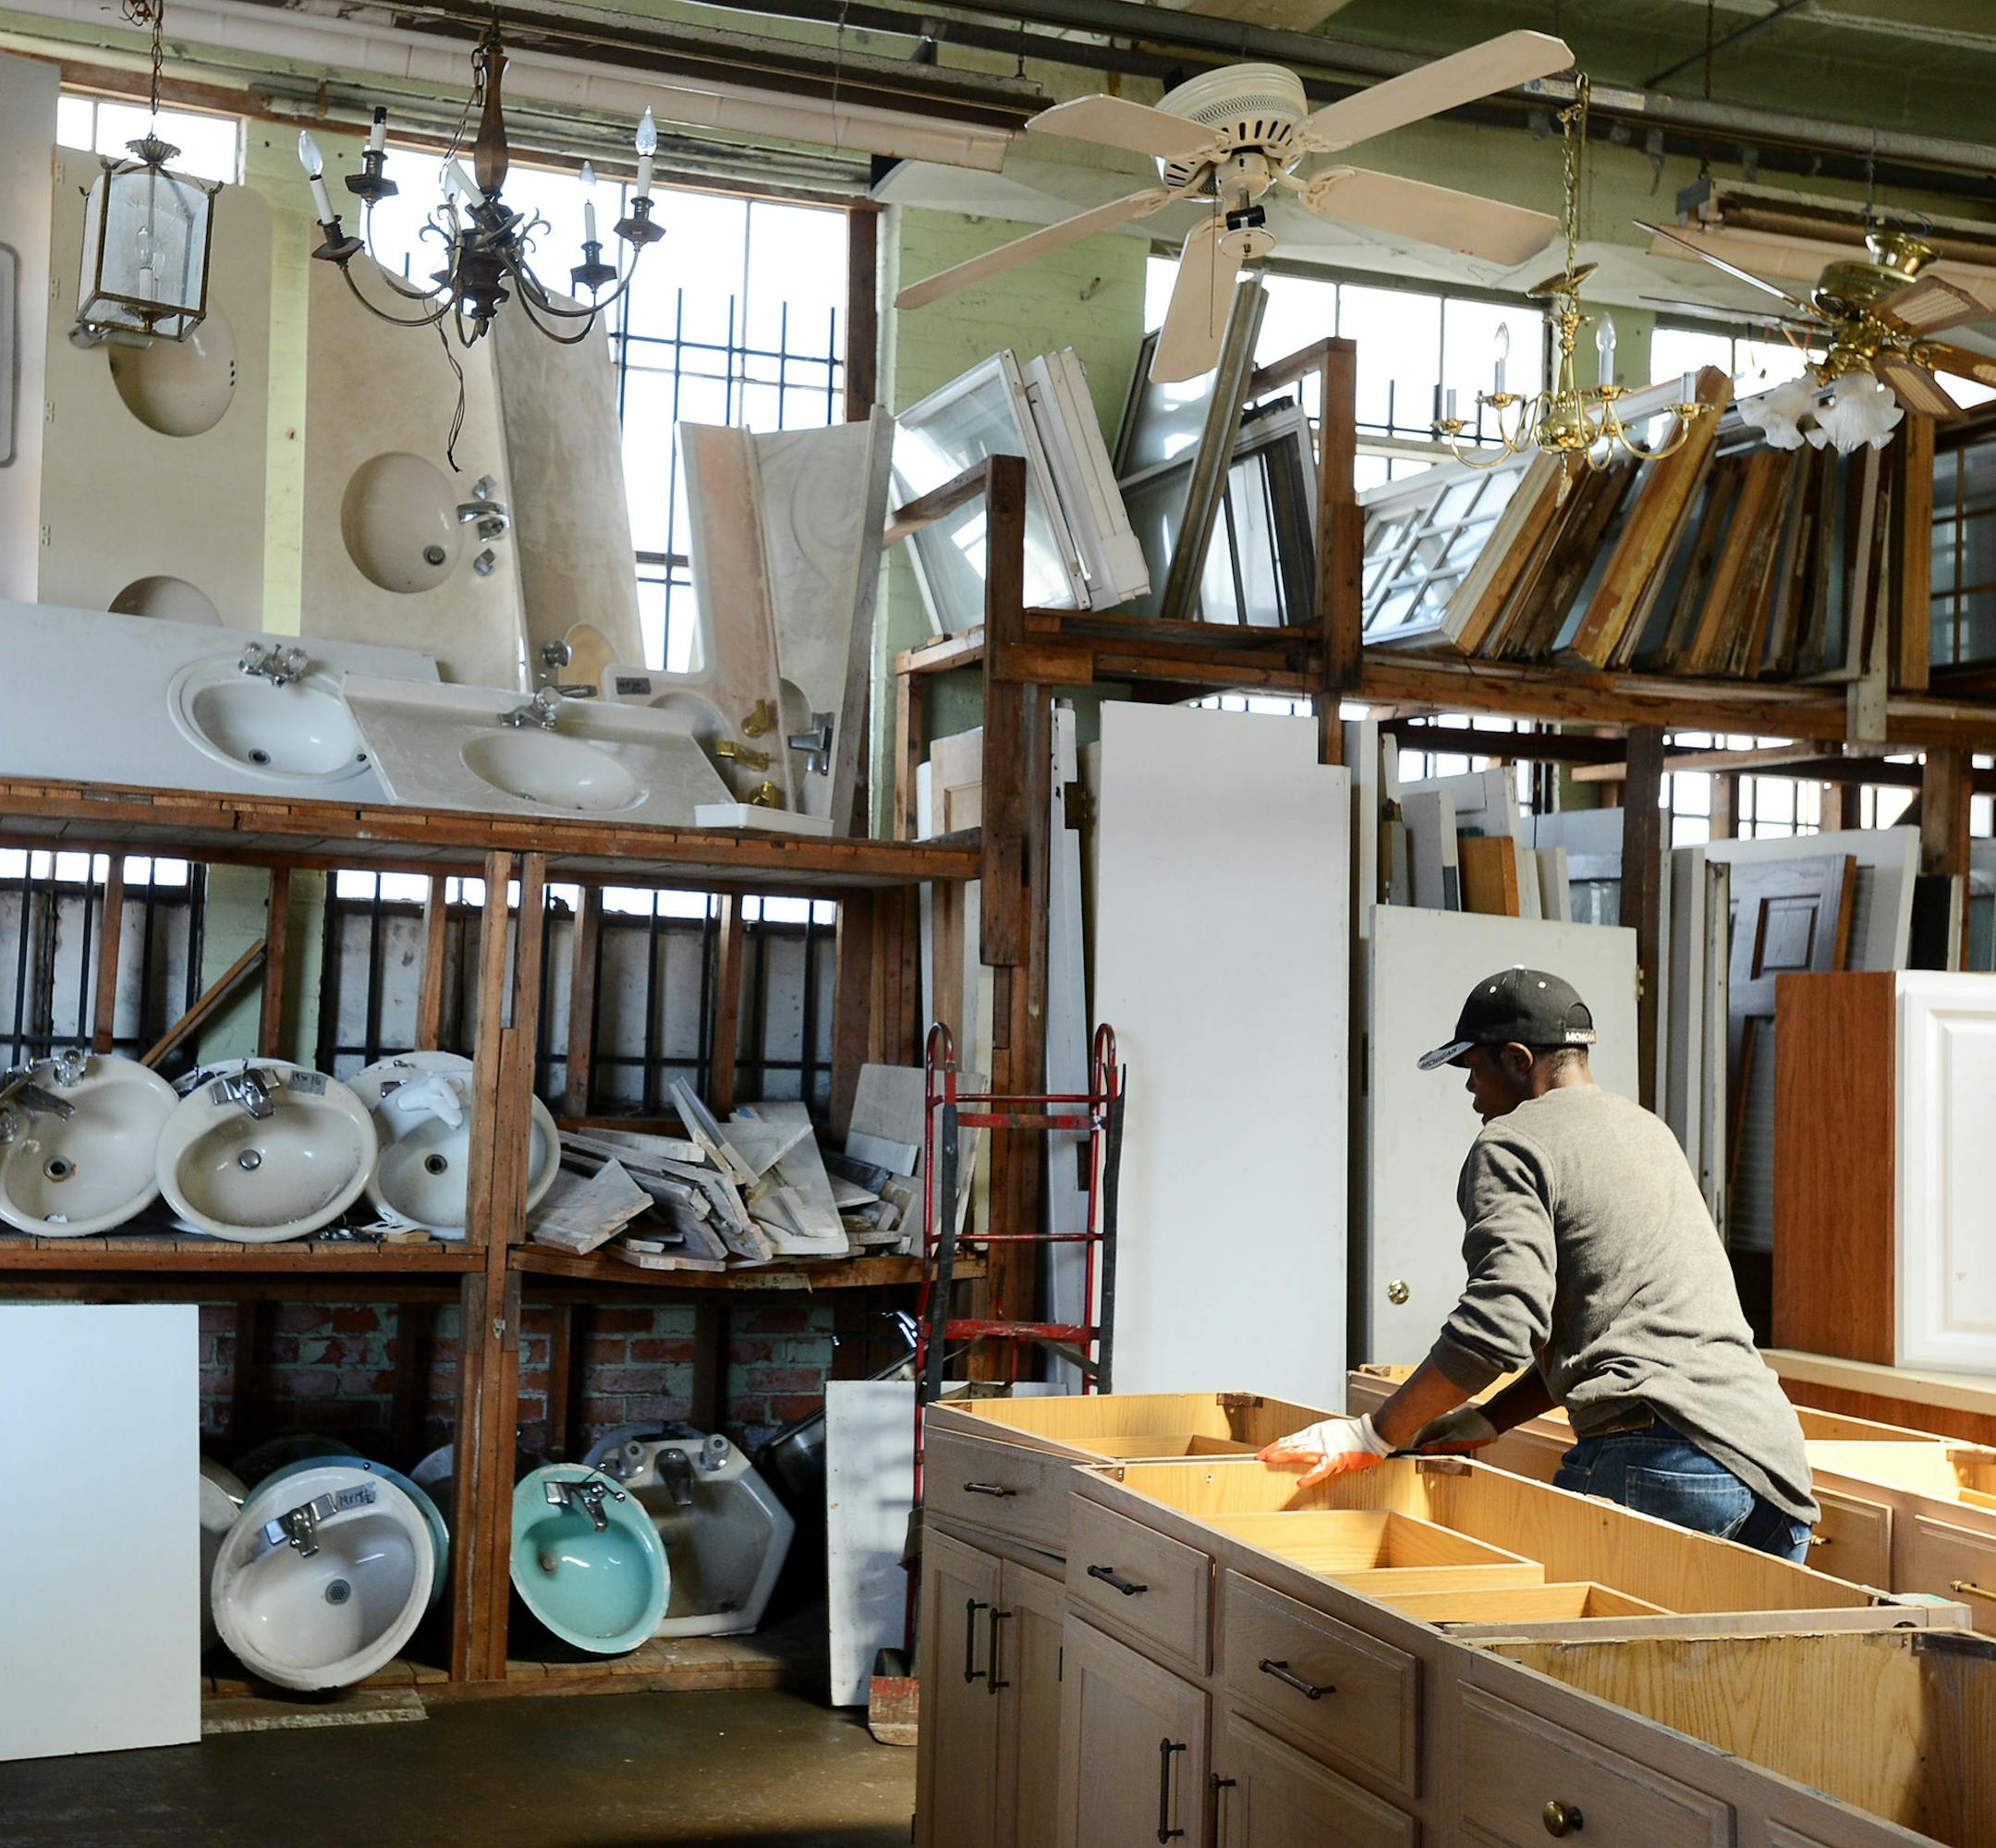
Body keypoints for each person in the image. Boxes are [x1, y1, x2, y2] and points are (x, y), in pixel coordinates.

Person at [1260, 967, 1818, 1561]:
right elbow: (1619, 1328)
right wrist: (1492, 1418)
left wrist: (1372, 1433)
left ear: (1519, 1059)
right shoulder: (1647, 1131)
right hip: (1774, 1470)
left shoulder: (1511, 1143)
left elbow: (1499, 1325)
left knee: (1536, 1653)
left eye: (1474, 1069)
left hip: (1661, 1463)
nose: (1471, 1092)